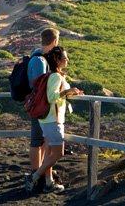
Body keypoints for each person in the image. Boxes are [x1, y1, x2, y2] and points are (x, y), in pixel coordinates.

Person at [25, 46, 82, 193]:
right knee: (58, 154)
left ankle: (48, 183)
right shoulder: (55, 77)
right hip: (53, 120)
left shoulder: (52, 75)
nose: (67, 60)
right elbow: (52, 97)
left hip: (48, 120)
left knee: (49, 154)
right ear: (56, 59)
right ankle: (35, 176)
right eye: (64, 58)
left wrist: (69, 92)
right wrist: (67, 92)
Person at [27, 28, 59, 187]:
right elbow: (39, 86)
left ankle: (39, 171)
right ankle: (36, 173)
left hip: (37, 105)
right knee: (38, 140)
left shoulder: (38, 56)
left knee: (39, 140)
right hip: (39, 107)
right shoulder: (40, 60)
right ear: (55, 41)